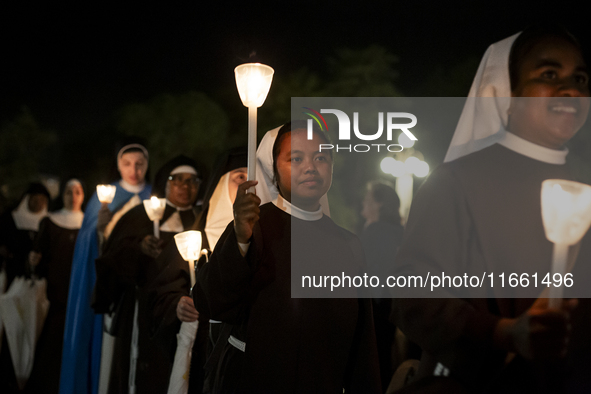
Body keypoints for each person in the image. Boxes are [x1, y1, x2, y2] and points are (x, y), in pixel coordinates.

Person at [391, 25, 590, 392]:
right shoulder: (457, 181)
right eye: (548, 74)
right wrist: (503, 333)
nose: (571, 89)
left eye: (579, 77)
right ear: (507, 93)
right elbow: (412, 293)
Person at [195, 121, 381, 393]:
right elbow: (211, 302)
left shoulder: (348, 244)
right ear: (274, 171)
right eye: (295, 158)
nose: (310, 167)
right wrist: (240, 240)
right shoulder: (253, 227)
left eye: (321, 157)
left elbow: (362, 345)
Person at [92, 155, 202, 394]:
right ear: (166, 183)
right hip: (139, 310)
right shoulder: (139, 216)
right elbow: (112, 255)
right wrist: (138, 247)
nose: (185, 186)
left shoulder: (203, 220)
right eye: (178, 179)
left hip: (180, 312)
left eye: (193, 181)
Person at [147, 148, 247, 393]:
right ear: (223, 184)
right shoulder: (196, 236)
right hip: (204, 353)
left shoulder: (270, 236)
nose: (250, 185)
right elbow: (163, 293)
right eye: (240, 178)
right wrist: (177, 305)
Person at [60, 141, 151, 394]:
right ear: (119, 165)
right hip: (111, 284)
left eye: (140, 163)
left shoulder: (154, 195)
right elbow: (87, 242)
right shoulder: (105, 196)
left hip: (141, 284)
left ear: (147, 165)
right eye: (127, 163)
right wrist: (99, 229)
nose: (134, 169)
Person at [24, 179, 85, 393]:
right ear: (63, 195)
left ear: (83, 195)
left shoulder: (88, 224)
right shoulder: (50, 222)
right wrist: (33, 262)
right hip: (57, 295)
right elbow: (39, 257)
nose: (73, 195)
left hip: (80, 296)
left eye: (78, 191)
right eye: (69, 191)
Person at [0, 182, 50, 393]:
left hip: (39, 289)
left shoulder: (49, 225)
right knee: (12, 328)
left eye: (42, 199)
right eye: (34, 198)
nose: (37, 202)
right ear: (26, 199)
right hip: (12, 284)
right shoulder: (9, 220)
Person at [360, 180, 404, 390]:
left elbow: (372, 274)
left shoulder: (377, 232)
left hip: (375, 310)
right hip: (388, 308)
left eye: (368, 199)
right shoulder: (397, 232)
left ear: (379, 204)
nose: (363, 203)